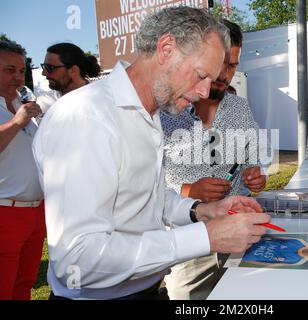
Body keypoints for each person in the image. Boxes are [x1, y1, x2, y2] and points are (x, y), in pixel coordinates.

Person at [32, 7, 270, 300]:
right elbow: (78, 258)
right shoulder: (86, 117)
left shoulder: (149, 112)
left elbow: (146, 199)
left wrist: (200, 211)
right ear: (166, 49)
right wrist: (206, 237)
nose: (206, 92)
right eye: (200, 75)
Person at [161, 20, 270, 300]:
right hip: (186, 243)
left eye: (233, 65)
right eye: (221, 63)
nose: (225, 74)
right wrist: (189, 192)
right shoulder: (164, 111)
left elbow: (253, 156)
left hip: (237, 232)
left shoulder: (239, 106)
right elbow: (142, 182)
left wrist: (255, 174)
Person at [0, 40, 45, 300]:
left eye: (21, 70)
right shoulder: (19, 113)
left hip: (34, 211)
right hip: (5, 211)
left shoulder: (20, 102)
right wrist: (18, 122)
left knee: (23, 285)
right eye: (9, 70)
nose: (18, 77)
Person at [37, 43, 101, 115]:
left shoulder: (101, 97)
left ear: (73, 70)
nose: (44, 73)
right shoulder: (45, 103)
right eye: (44, 66)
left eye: (50, 67)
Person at [242, 236, 308, 266]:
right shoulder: (299, 241)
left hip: (245, 256)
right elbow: (273, 237)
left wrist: (247, 260)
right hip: (248, 242)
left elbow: (270, 263)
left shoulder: (298, 261)